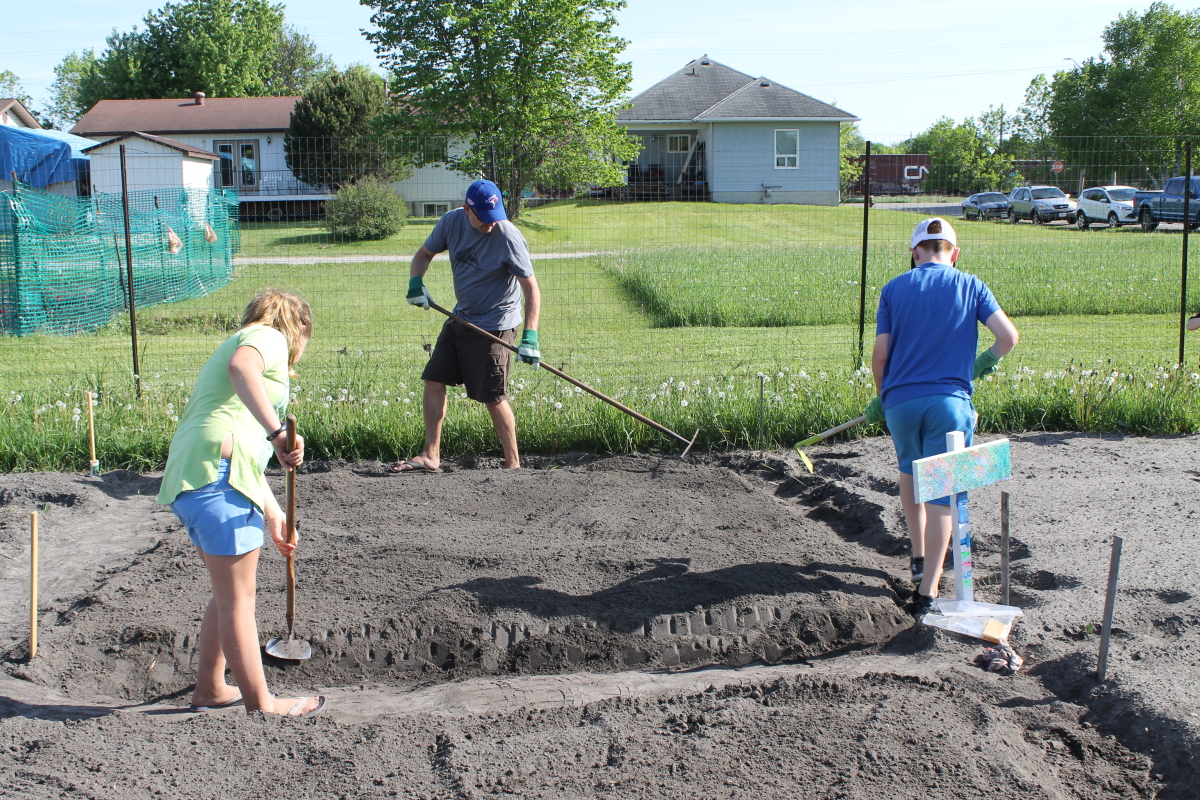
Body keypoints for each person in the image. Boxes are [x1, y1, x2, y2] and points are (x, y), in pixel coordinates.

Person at [157, 289, 325, 717]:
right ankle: (262, 703)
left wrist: (274, 513)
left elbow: (239, 451)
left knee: (225, 594)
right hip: (215, 478)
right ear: (299, 328)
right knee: (238, 600)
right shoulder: (269, 336)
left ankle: (212, 688)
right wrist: (278, 432)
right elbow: (241, 368)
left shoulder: (245, 347)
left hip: (202, 476)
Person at [866, 218, 1019, 616]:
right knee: (943, 495)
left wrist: (883, 397)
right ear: (954, 251)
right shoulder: (971, 285)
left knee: (909, 473)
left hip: (901, 406)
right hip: (949, 405)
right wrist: (982, 363)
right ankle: (928, 593)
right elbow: (1008, 338)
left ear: (915, 253)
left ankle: (917, 558)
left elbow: (880, 357)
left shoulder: (894, 289)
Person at [396, 178, 541, 472]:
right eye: (483, 218)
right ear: (467, 210)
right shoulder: (451, 223)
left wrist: (530, 337)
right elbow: (424, 255)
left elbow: (532, 290)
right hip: (462, 317)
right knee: (434, 379)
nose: (490, 224)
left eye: (495, 216)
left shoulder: (508, 236)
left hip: (496, 324)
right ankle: (430, 455)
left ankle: (513, 465)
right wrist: (415, 284)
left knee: (492, 395)